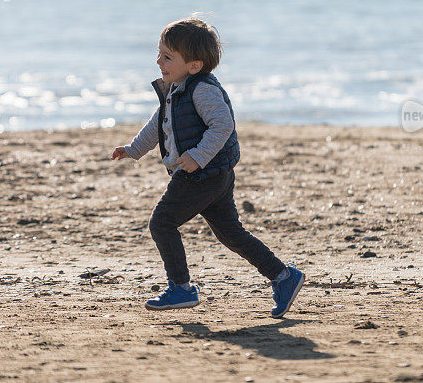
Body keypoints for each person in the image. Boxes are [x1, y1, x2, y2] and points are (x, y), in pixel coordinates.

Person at [111, 17, 304, 318]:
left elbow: (223, 124)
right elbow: (157, 125)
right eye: (159, 53)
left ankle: (181, 288)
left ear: (194, 65)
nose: (158, 60)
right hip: (212, 176)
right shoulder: (176, 88)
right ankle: (283, 277)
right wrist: (133, 149)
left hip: (201, 174)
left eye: (167, 56)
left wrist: (199, 156)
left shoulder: (202, 90)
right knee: (231, 233)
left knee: (162, 222)